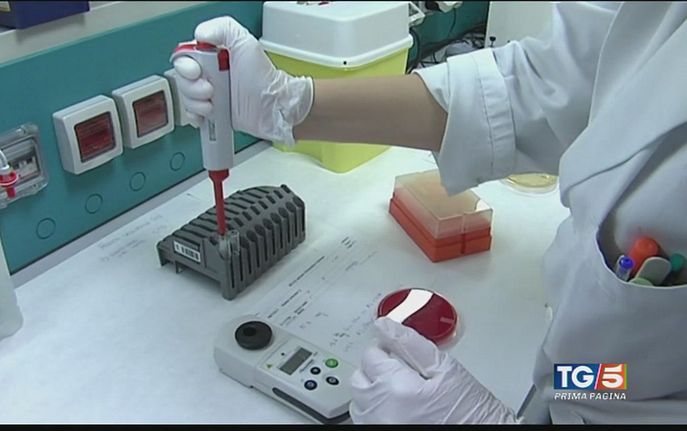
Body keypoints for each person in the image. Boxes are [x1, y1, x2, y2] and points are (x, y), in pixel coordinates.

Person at [171, 2, 687, 424]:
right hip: (596, 382)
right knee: (577, 386)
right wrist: (290, 104)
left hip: (631, 404)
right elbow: (545, 88)